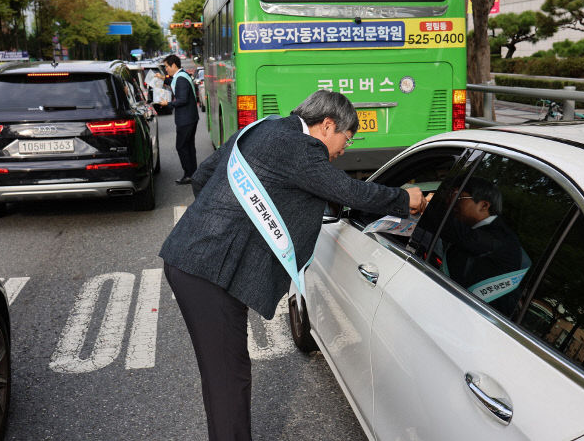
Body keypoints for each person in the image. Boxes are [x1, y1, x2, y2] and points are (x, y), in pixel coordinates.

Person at [159, 90, 426, 441]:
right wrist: (405, 198)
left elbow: (202, 176)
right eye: (346, 139)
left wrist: (222, 223)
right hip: (207, 271)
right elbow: (350, 192)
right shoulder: (301, 147)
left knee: (226, 372)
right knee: (228, 376)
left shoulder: (262, 127)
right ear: (327, 125)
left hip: (198, 260)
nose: (344, 149)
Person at [437, 176, 529, 314]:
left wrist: (423, 205)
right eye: (450, 195)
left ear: (484, 206)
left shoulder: (500, 238)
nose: (449, 202)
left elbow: (458, 233)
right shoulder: (475, 230)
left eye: (457, 197)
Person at [159, 54, 199, 185]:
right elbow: (174, 83)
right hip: (190, 117)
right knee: (188, 146)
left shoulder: (181, 79)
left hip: (186, 119)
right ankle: (193, 173)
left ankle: (189, 174)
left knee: (181, 146)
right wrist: (163, 79)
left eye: (166, 67)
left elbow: (182, 99)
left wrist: (168, 104)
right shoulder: (181, 76)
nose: (166, 69)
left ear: (174, 65)